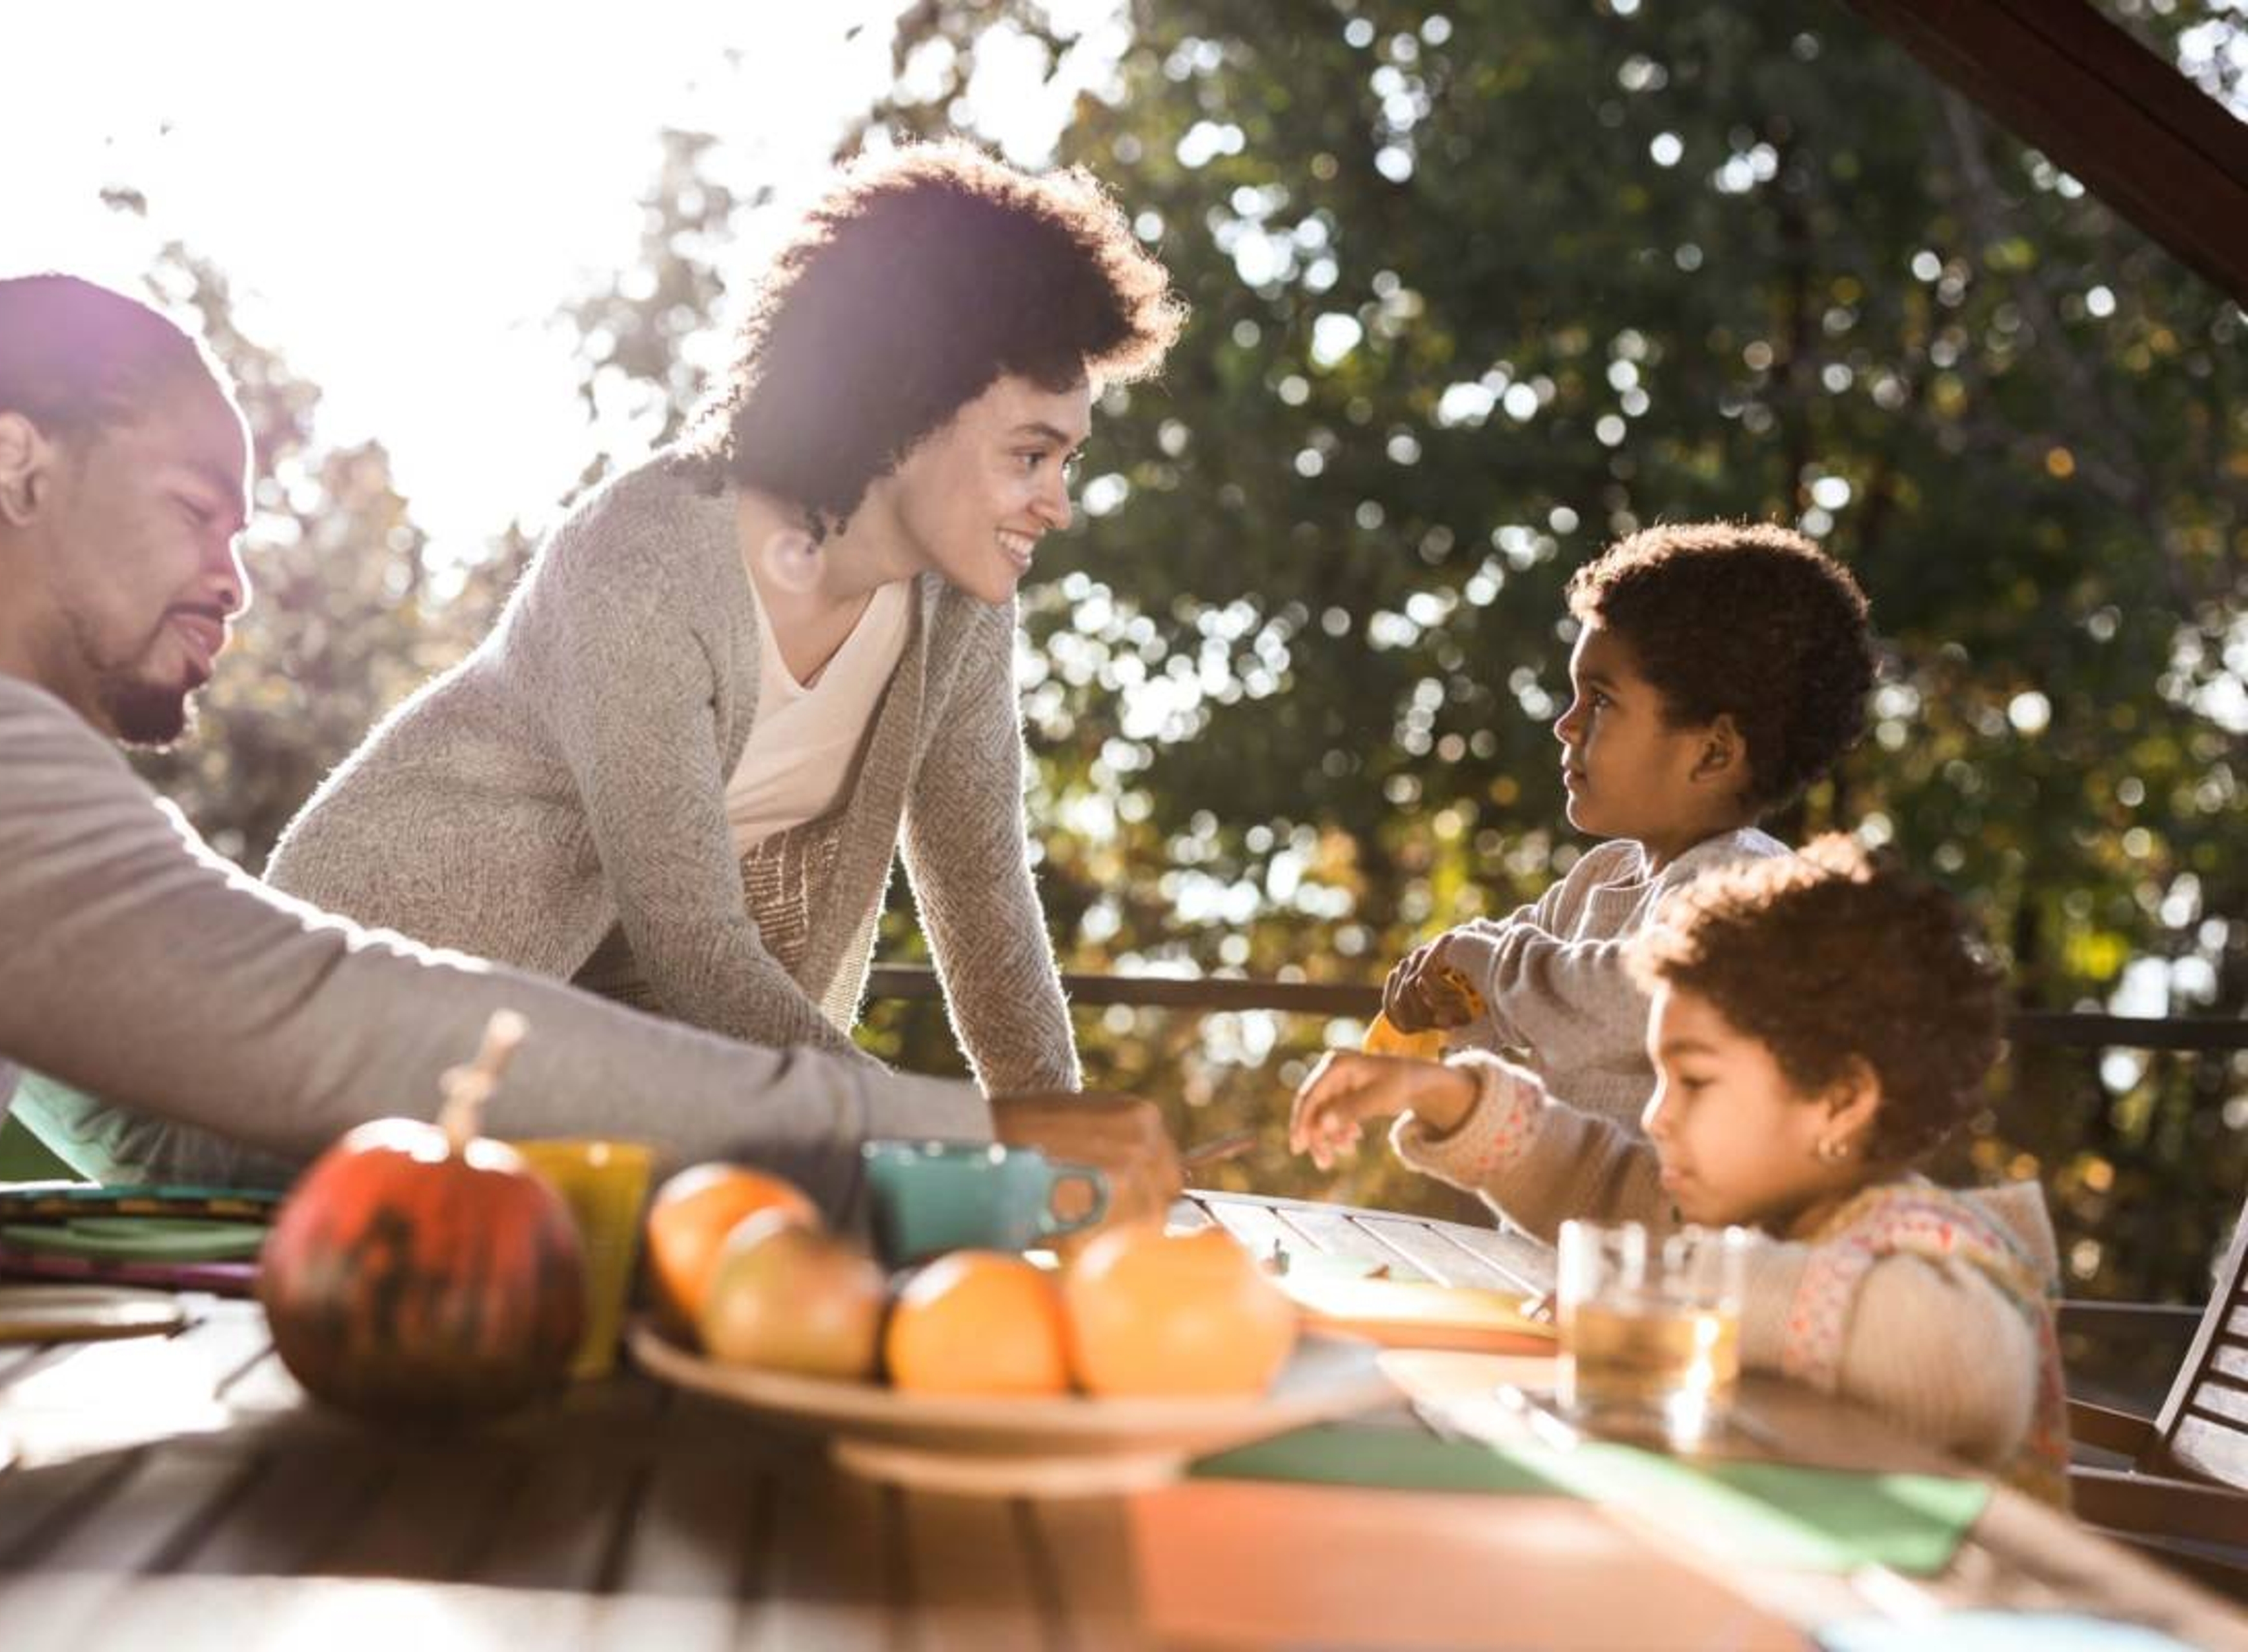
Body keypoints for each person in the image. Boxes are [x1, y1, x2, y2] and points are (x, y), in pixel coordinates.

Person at [0, 272, 1179, 1291]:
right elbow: (330, 1020)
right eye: (198, 510)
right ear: (19, 465)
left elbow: (142, 1059)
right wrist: (959, 1137)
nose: (235, 578)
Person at [261, 139, 1182, 1084]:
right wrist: (909, 1124)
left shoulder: (959, 608)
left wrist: (1070, 1143)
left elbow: (985, 903)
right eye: (1030, 456)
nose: (1057, 505)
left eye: (1068, 464)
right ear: (907, 403)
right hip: (334, 1009)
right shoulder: (645, 556)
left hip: (554, 1072)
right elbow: (693, 944)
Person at [1293, 837, 2067, 1500]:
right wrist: (1445, 1092)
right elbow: (1602, 1181)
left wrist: (1663, 1291)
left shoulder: (1938, 1249)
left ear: (1841, 1099)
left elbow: (1962, 1360)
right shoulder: (1755, 1215)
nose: (1659, 1114)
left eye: (1694, 1080)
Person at [1379, 522, 1876, 1127]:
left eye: (1601, 700)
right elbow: (1521, 986)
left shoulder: (1752, 892)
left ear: (1713, 753)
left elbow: (1629, 995)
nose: (1565, 724)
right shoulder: (1600, 878)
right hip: (1566, 1223)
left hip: (1676, 1223)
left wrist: (1488, 970)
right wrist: (1448, 994)